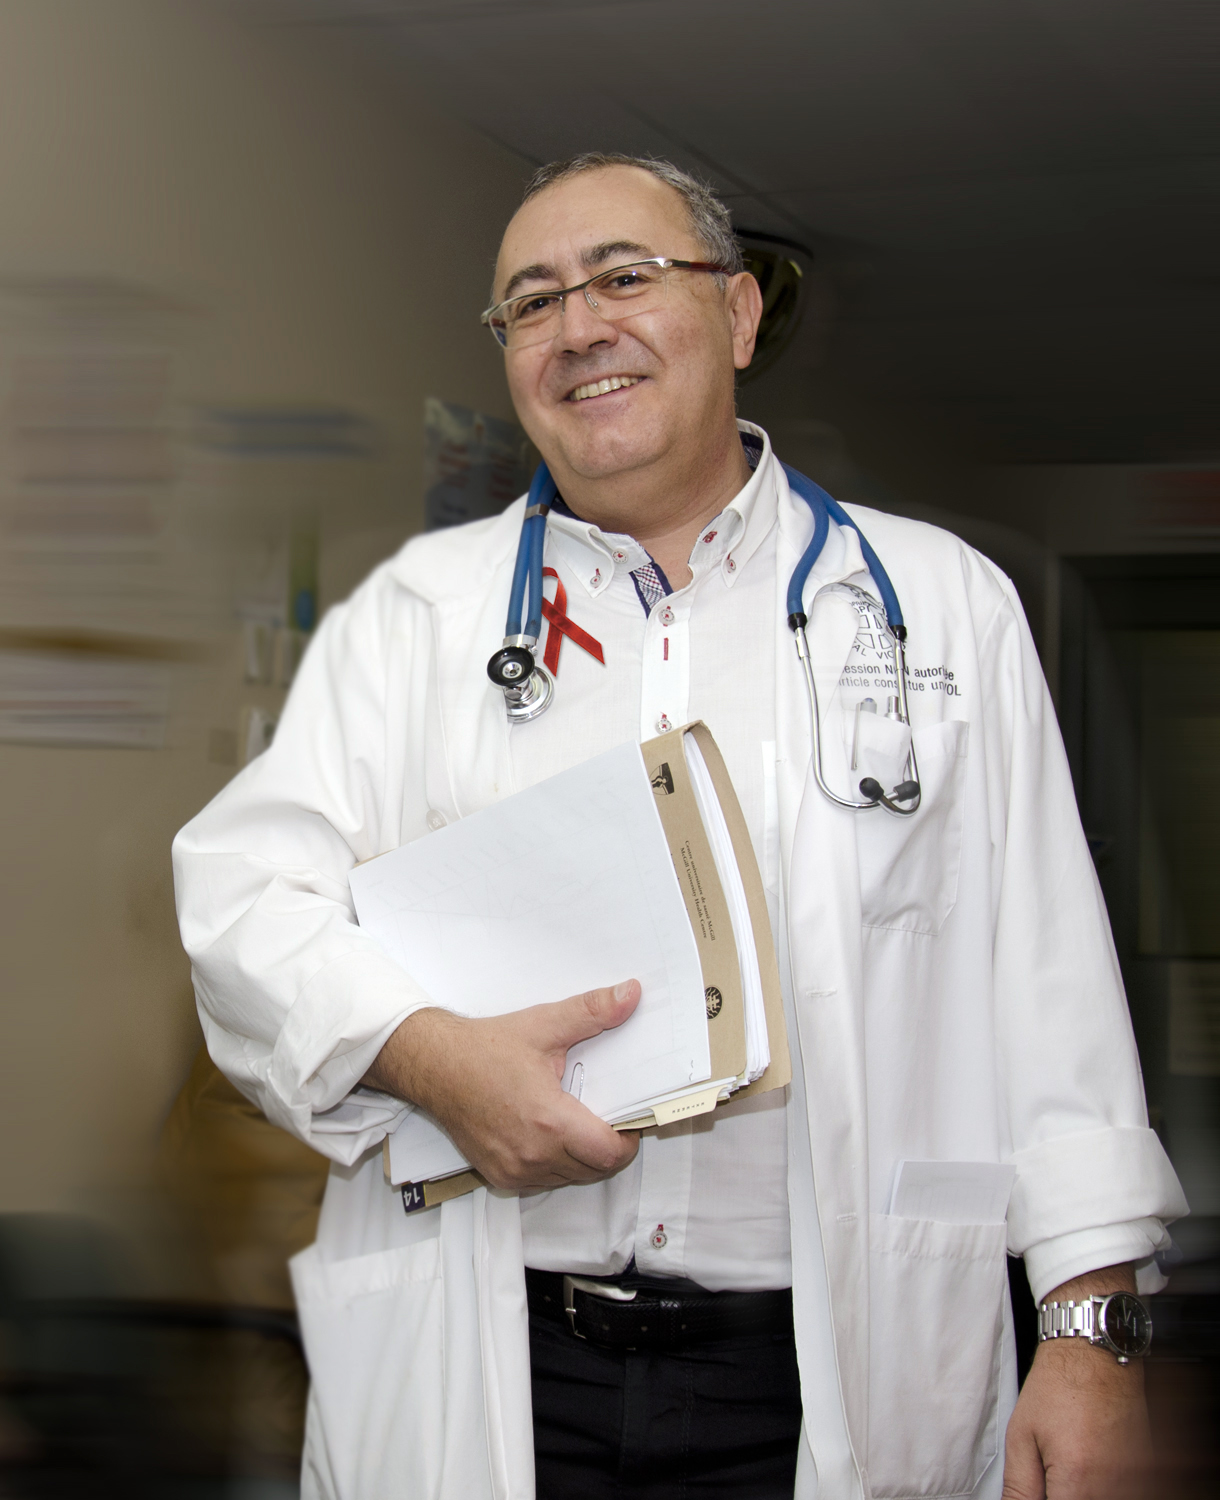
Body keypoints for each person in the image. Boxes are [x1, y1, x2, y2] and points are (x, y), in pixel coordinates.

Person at [171, 154, 1186, 1499]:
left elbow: (1049, 994)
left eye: (627, 277)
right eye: (533, 302)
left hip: (826, 1370)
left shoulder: (942, 608)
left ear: (742, 317)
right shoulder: (417, 618)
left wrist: (1093, 1337)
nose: (580, 324)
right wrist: (426, 1059)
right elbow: (244, 903)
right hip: (506, 1363)